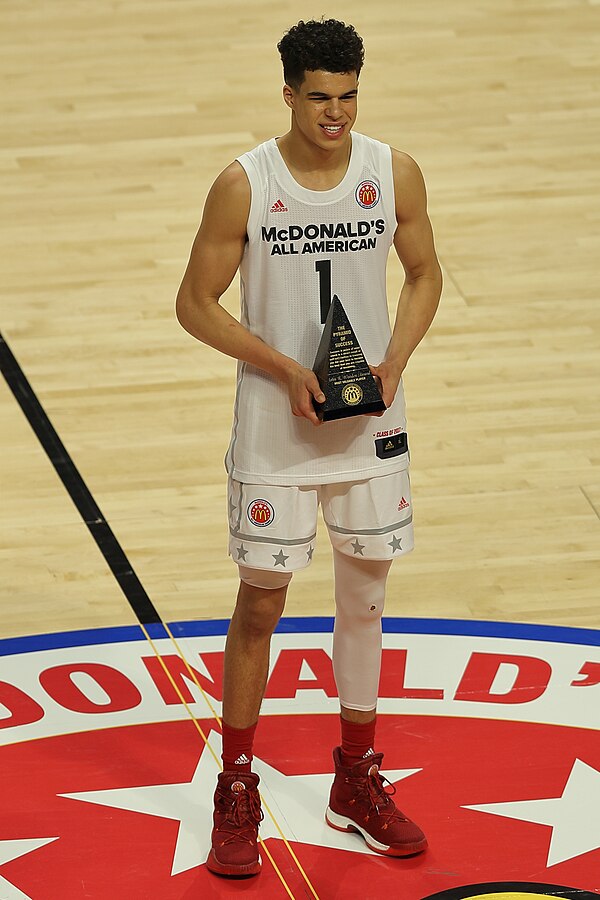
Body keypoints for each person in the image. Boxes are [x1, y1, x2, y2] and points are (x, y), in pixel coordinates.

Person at [176, 17, 442, 878]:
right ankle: (238, 786)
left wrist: (395, 359)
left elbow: (425, 270)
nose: (336, 114)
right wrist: (284, 366)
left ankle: (355, 778)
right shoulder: (244, 184)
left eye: (349, 95)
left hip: (371, 425)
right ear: (288, 92)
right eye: (319, 98)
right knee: (261, 607)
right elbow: (196, 303)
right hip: (276, 430)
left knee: (364, 601)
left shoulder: (390, 170)